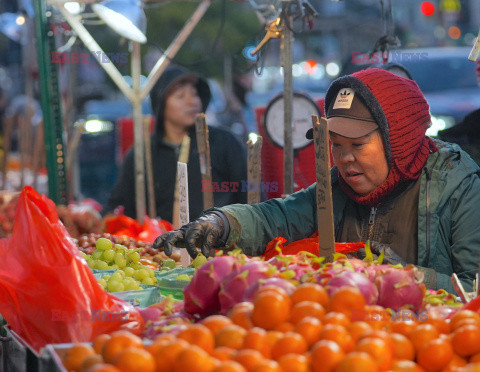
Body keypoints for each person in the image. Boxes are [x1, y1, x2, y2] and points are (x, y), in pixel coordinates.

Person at [154, 68, 480, 294]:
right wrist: (222, 222)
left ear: (399, 138)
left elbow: (474, 285)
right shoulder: (335, 189)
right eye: (335, 144)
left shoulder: (458, 188)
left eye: (357, 144)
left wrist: (410, 275)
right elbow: (276, 216)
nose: (344, 157)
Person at [103, 65, 247, 223]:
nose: (192, 101)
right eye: (181, 96)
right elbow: (118, 206)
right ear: (161, 105)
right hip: (164, 243)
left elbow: (250, 197)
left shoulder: (224, 142)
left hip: (222, 243)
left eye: (195, 94)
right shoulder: (143, 153)